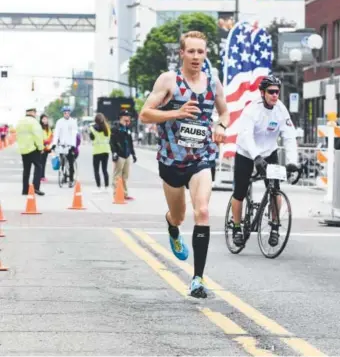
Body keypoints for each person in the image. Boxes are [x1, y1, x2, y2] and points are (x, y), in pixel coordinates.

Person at [139, 30, 229, 299]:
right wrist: (176, 112)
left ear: (205, 54)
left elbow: (224, 110)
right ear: (181, 53)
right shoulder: (169, 80)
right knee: (178, 215)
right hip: (171, 160)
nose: (196, 57)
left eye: (201, 52)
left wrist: (221, 125)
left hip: (201, 158)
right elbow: (144, 114)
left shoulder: (213, 83)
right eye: (191, 51)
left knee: (202, 211)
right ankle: (171, 227)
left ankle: (197, 279)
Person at [231, 75, 299, 248]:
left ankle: (275, 227)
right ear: (262, 92)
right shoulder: (252, 109)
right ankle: (237, 227)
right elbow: (246, 136)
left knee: (275, 190)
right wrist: (255, 157)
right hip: (246, 152)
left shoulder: (281, 110)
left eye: (277, 91)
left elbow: (289, 136)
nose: (275, 95)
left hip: (269, 152)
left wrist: (292, 162)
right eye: (271, 92)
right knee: (240, 191)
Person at [15, 106, 45, 196]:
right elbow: (38, 136)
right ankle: (35, 188)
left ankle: (25, 190)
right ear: (32, 112)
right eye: (35, 112)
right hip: (33, 149)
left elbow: (17, 136)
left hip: (23, 150)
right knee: (39, 167)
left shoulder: (20, 122)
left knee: (26, 170)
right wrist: (40, 148)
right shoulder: (34, 122)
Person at [110, 110, 137, 200]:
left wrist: (133, 154)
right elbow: (112, 142)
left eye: (128, 116)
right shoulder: (115, 128)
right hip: (119, 155)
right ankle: (116, 194)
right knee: (117, 175)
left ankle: (124, 194)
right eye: (126, 116)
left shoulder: (127, 129)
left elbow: (130, 143)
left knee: (125, 176)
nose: (128, 118)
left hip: (127, 155)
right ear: (121, 117)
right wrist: (114, 152)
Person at [51, 105, 78, 187]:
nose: (66, 114)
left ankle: (71, 179)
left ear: (69, 113)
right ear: (63, 113)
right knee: (62, 162)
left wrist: (73, 145)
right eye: (65, 113)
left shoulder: (73, 122)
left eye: (68, 112)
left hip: (70, 145)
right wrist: (54, 144)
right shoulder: (59, 122)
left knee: (70, 163)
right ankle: (64, 176)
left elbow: (74, 134)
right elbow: (56, 134)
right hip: (62, 145)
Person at [89, 113, 111, 192]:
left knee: (96, 170)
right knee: (104, 170)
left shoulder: (92, 128)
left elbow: (91, 138)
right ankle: (107, 187)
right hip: (106, 151)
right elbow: (109, 138)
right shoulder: (107, 128)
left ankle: (98, 187)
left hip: (96, 151)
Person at [39, 114, 53, 182]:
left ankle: (42, 176)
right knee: (40, 162)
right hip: (41, 147)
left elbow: (51, 135)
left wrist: (49, 142)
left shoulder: (48, 127)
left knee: (44, 162)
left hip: (47, 147)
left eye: (46, 119)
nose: (45, 120)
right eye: (43, 119)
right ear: (41, 120)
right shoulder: (39, 127)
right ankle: (40, 176)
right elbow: (38, 137)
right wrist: (44, 142)